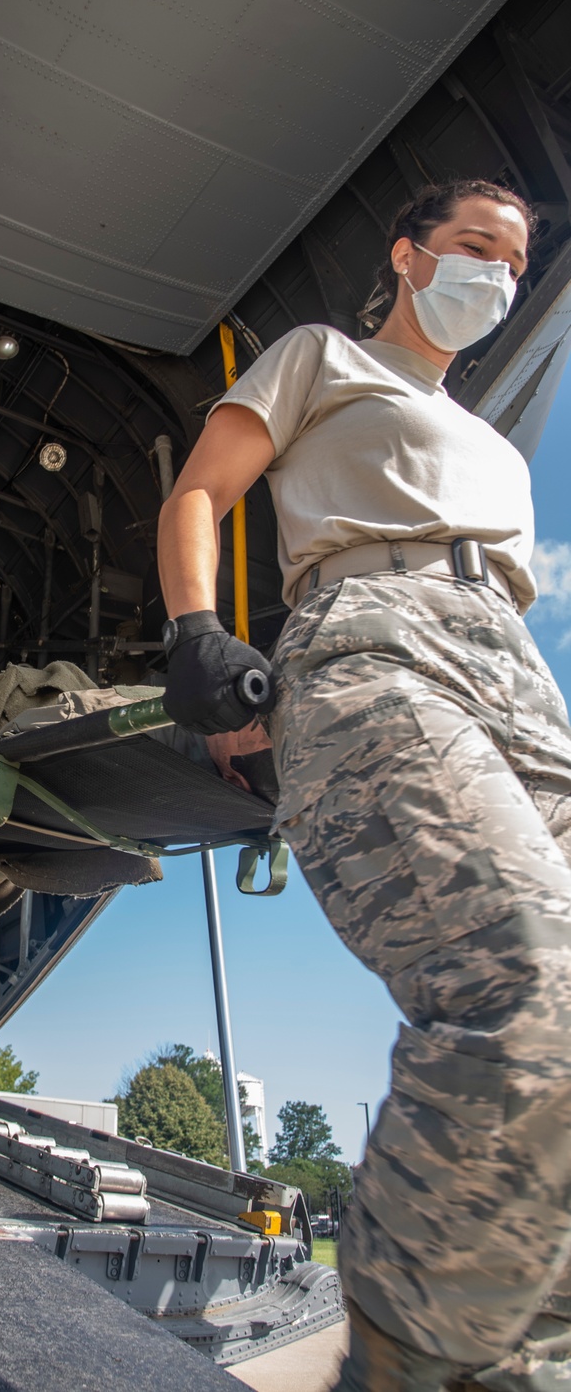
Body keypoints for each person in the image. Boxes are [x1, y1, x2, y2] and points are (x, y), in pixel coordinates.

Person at [157, 180, 571, 1392]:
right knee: (530, 985)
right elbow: (199, 492)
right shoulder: (320, 356)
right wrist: (197, 629)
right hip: (368, 636)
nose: (493, 276)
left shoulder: (496, 446)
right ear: (407, 254)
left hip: (515, 676)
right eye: (472, 247)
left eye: (514, 261)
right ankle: (409, 1364)